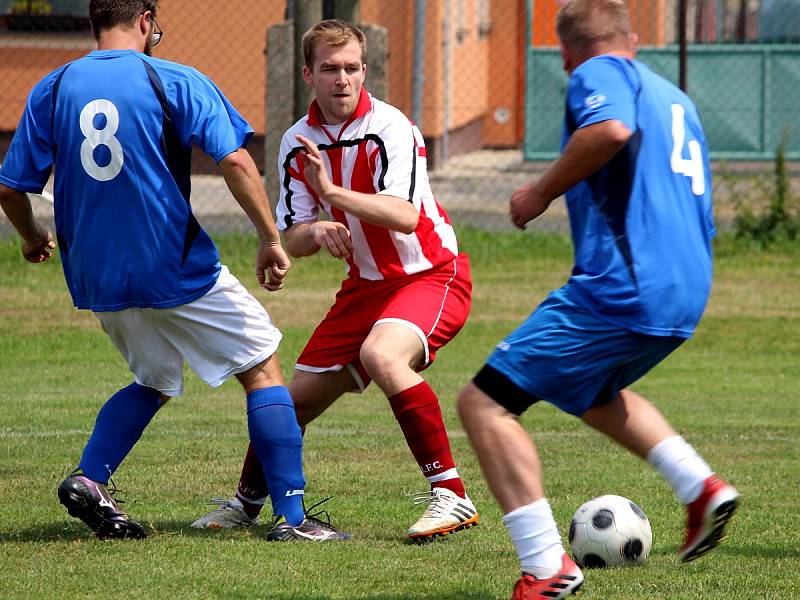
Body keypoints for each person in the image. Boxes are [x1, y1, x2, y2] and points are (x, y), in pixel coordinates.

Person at [0, 0, 347, 542]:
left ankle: (90, 479)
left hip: (95, 271)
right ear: (145, 20)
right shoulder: (174, 78)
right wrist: (270, 238)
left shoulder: (54, 85)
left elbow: (10, 187)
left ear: (93, 24)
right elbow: (234, 160)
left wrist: (31, 239)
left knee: (154, 379)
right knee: (260, 363)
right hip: (170, 261)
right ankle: (295, 519)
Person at [456, 1, 740, 598]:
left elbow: (609, 130)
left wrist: (538, 191)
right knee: (589, 392)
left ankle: (545, 567)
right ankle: (700, 487)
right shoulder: (675, 97)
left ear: (566, 52)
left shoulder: (598, 71)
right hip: (686, 289)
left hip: (622, 288)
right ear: (633, 37)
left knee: (484, 404)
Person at [191, 19, 478, 541]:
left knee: (383, 356)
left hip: (430, 274)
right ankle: (246, 503)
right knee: (289, 401)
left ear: (364, 71)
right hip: (365, 288)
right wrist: (316, 229)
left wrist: (335, 197)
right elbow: (293, 237)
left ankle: (451, 496)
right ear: (309, 74)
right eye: (329, 68)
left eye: (351, 68)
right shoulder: (296, 141)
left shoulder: (391, 127)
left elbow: (405, 216)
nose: (342, 79)